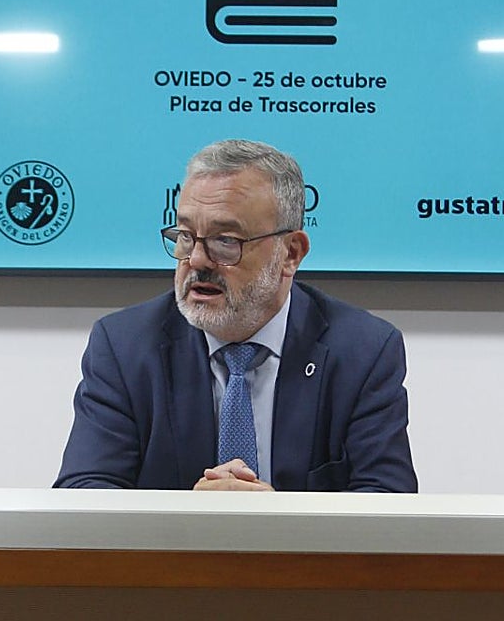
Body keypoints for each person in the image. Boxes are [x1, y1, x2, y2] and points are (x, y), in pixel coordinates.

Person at [55, 139, 416, 491]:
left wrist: (280, 524)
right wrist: (189, 522)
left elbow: (389, 503)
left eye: (225, 241)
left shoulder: (363, 351)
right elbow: (85, 493)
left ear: (290, 253)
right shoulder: (124, 347)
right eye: (185, 236)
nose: (196, 260)